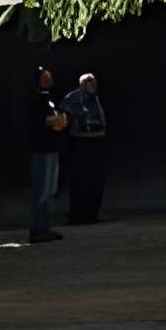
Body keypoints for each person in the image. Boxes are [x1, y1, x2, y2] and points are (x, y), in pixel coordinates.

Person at [26, 66, 67, 243]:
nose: (49, 78)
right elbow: (35, 120)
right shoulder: (35, 98)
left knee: (48, 188)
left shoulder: (48, 97)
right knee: (41, 189)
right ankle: (37, 229)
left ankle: (44, 226)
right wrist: (54, 121)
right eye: (45, 76)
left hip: (50, 148)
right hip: (41, 149)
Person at [62, 72, 108, 224]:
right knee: (80, 180)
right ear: (82, 84)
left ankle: (92, 215)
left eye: (94, 81)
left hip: (97, 141)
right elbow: (65, 113)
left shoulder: (97, 99)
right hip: (81, 143)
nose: (93, 84)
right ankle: (77, 216)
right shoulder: (73, 98)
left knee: (96, 180)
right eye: (89, 81)